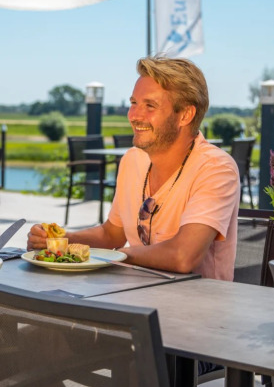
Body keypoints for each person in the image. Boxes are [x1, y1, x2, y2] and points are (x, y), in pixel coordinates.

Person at [28, 56, 240, 281]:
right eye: (134, 103)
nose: (134, 116)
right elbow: (112, 233)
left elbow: (182, 256)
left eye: (150, 106)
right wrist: (61, 241)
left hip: (197, 308)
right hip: (134, 295)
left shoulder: (216, 169)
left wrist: (117, 257)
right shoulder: (133, 160)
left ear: (185, 115)